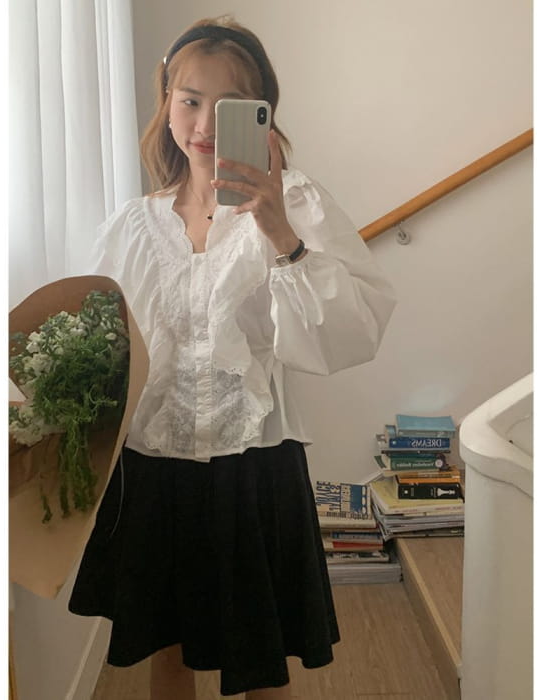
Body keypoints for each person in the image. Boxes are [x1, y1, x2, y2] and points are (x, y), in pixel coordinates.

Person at [68, 15, 397, 700]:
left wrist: (278, 230)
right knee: (167, 653)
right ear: (166, 103)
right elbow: (102, 342)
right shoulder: (132, 226)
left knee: (260, 658)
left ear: (264, 115)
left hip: (254, 465)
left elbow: (352, 331)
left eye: (230, 108)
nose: (204, 125)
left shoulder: (296, 203)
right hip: (154, 467)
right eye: (189, 100)